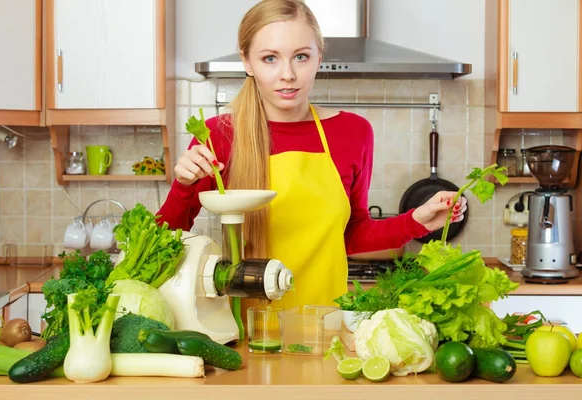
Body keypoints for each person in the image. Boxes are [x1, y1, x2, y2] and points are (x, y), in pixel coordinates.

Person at [157, 0, 466, 309]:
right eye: (270, 59)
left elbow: (352, 235)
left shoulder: (353, 133)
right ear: (247, 62)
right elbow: (161, 244)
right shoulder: (218, 135)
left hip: (324, 327)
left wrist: (418, 221)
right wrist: (184, 187)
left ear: (319, 57)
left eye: (301, 57)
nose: (287, 74)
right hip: (244, 332)